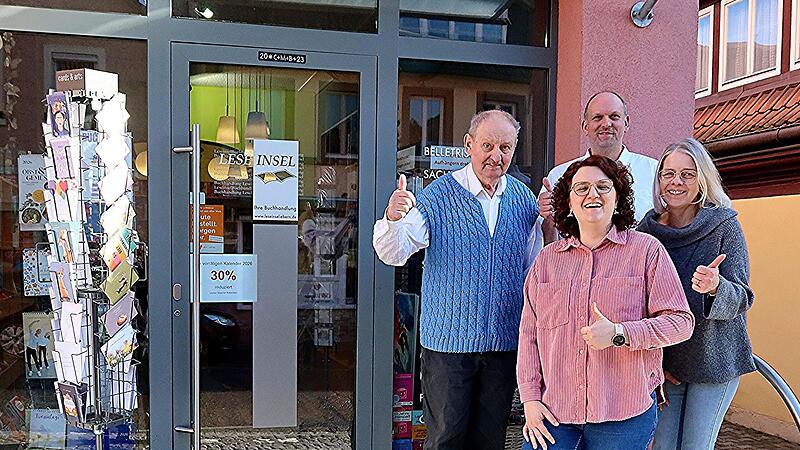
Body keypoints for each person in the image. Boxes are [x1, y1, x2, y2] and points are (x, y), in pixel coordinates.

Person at [373, 109, 539, 450]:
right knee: (446, 439)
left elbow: (533, 269)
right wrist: (392, 218)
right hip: (448, 347)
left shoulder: (524, 200)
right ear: (469, 145)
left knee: (490, 440)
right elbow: (394, 252)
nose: (496, 156)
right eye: (487, 145)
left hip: (503, 345)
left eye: (505, 147)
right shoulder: (439, 195)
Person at [518, 155, 694, 450]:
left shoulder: (646, 251)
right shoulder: (546, 262)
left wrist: (620, 333)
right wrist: (530, 399)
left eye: (603, 186)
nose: (593, 194)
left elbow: (681, 322)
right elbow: (528, 336)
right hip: (554, 412)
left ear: (618, 198)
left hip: (623, 414)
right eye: (582, 188)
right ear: (569, 203)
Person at [637, 138, 755, 450]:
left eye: (687, 174)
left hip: (714, 362)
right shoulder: (646, 231)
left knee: (694, 446)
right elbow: (637, 302)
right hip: (669, 364)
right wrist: (653, 361)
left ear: (701, 179)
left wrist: (717, 288)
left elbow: (743, 296)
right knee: (662, 446)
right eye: (668, 173)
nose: (676, 182)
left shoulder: (724, 226)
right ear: (659, 179)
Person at [537, 91, 658, 248]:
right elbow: (547, 244)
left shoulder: (654, 172)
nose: (606, 124)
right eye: (597, 117)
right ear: (585, 126)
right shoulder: (559, 176)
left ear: (626, 123)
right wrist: (549, 219)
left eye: (614, 116)